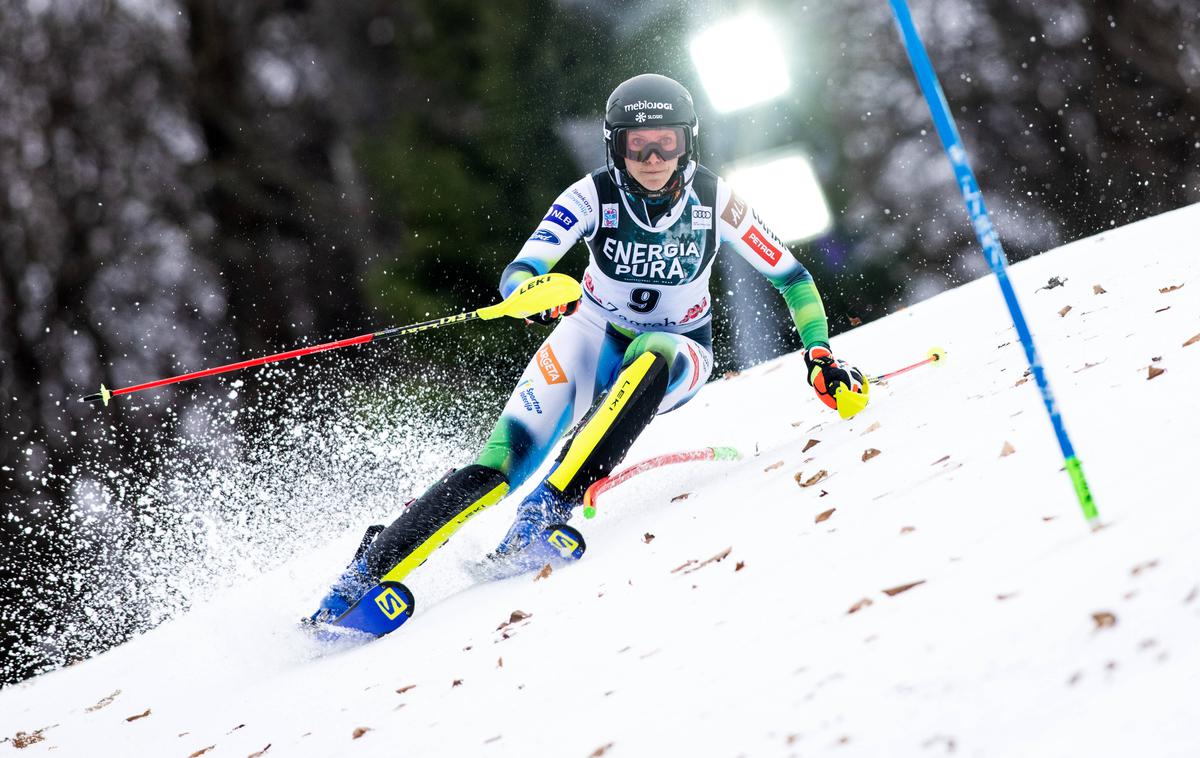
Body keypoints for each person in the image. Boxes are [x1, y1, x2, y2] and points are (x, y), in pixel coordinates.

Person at [310, 73, 865, 622]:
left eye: (666, 141)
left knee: (654, 349)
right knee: (498, 466)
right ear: (614, 146)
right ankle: (366, 571)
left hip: (682, 350)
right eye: (636, 143)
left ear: (686, 142)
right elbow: (523, 268)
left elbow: (793, 277)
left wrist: (819, 353)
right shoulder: (591, 195)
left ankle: (546, 509)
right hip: (591, 334)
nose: (652, 157)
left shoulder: (716, 201)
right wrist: (530, 292)